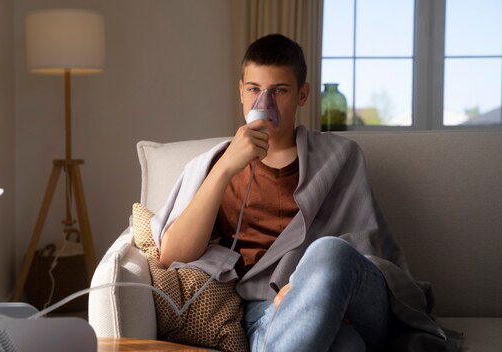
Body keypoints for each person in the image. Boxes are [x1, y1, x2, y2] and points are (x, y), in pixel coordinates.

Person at [151, 34, 458, 351]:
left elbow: (365, 248)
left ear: (302, 94)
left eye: (279, 91)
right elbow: (172, 255)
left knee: (330, 250)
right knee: (347, 346)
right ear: (241, 91)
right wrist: (226, 168)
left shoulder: (339, 157)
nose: (264, 105)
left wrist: (303, 286)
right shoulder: (214, 165)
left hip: (356, 300)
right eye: (254, 90)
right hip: (269, 312)